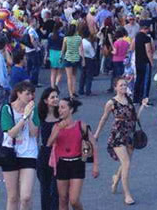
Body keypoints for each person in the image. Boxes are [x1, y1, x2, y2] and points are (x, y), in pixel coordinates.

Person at [93, 76, 141, 205]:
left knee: (126, 163)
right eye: (121, 85)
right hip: (118, 135)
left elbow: (134, 118)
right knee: (126, 163)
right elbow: (104, 119)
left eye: (125, 85)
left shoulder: (129, 100)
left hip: (129, 134)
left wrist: (142, 107)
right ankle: (127, 195)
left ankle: (116, 179)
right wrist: (96, 134)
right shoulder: (111, 102)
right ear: (115, 87)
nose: (124, 87)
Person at [48, 96, 99, 210]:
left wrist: (95, 166)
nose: (60, 110)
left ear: (70, 110)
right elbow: (49, 143)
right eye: (59, 108)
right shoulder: (56, 126)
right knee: (63, 199)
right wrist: (57, 130)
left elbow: (94, 144)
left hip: (77, 163)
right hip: (62, 163)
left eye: (63, 107)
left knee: (74, 200)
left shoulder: (81, 125)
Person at [1, 80, 40, 210]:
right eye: (27, 94)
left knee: (26, 196)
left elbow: (34, 133)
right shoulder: (7, 109)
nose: (31, 97)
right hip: (10, 153)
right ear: (18, 94)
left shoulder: (34, 110)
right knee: (12, 197)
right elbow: (11, 133)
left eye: (32, 94)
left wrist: (29, 116)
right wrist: (23, 117)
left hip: (28, 153)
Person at [36, 86, 62, 210]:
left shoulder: (62, 115)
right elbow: (35, 137)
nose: (56, 99)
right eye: (52, 97)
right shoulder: (40, 116)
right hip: (45, 153)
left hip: (60, 154)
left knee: (57, 188)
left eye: (57, 96)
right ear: (46, 100)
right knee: (45, 187)